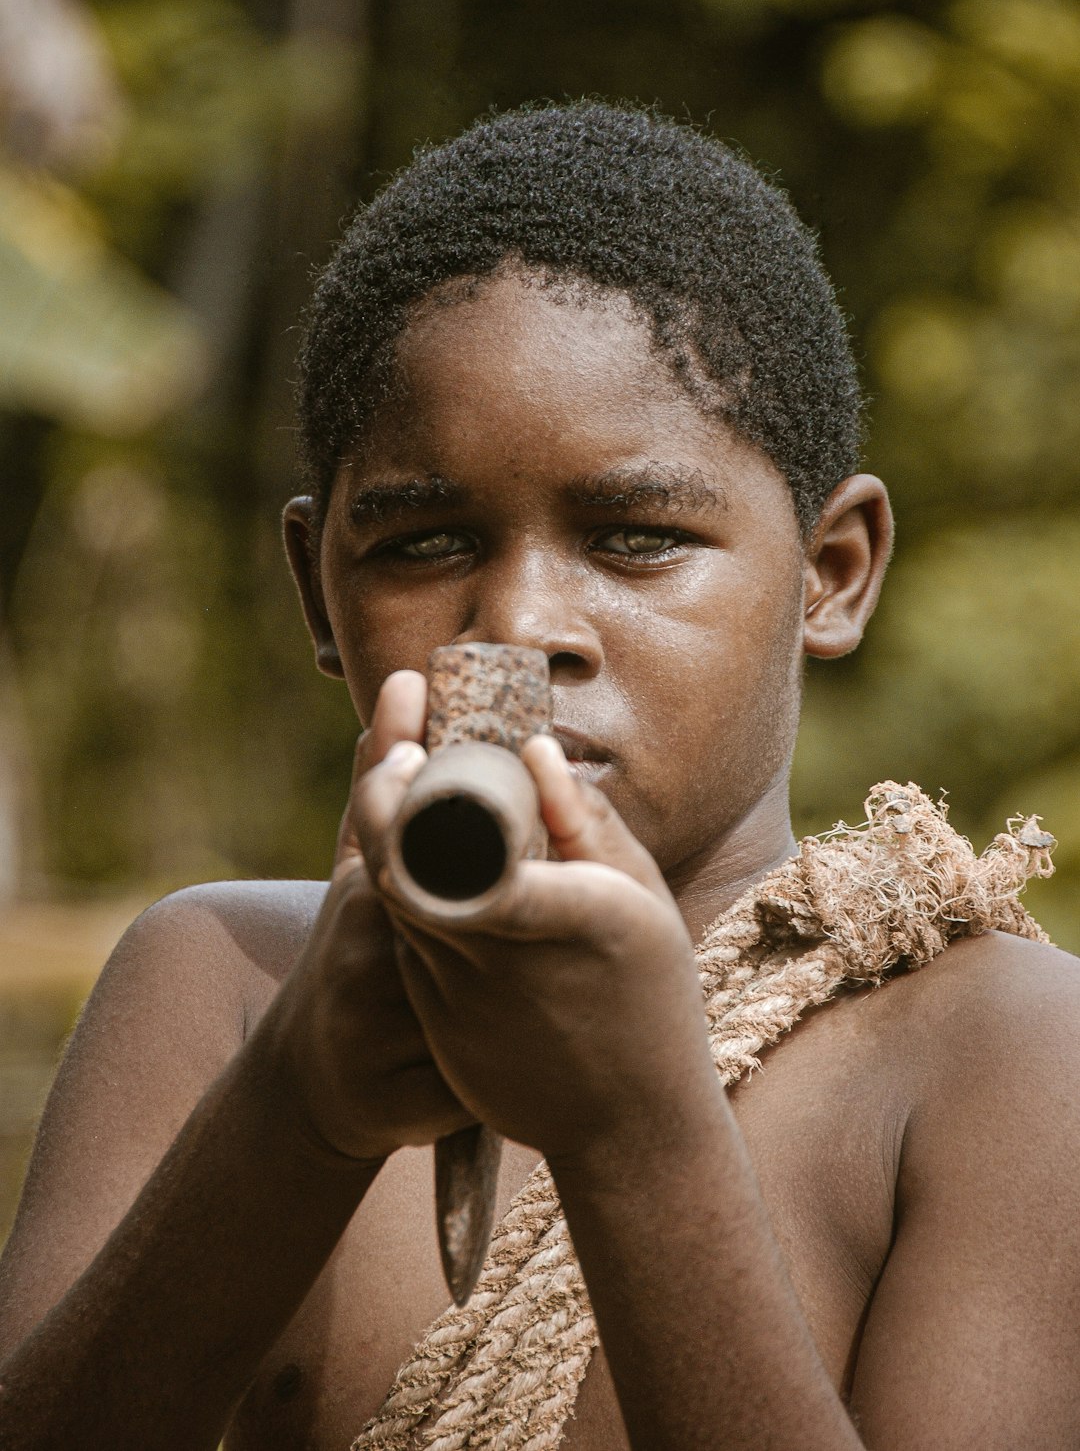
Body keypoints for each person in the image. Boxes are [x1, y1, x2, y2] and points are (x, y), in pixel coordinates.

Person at [0, 102, 1077, 1451]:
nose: (516, 626)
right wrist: (293, 1109)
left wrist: (637, 1136)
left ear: (832, 569)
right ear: (314, 589)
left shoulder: (1002, 1056)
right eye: (423, 543)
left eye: (634, 537)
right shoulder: (223, 985)